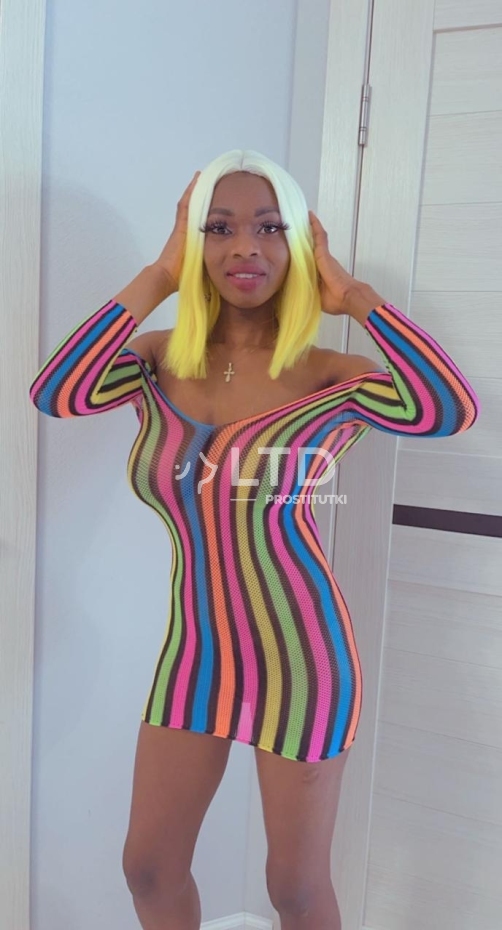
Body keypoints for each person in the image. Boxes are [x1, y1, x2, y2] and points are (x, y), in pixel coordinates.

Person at [29, 149, 479, 930]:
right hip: (196, 652)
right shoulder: (156, 363)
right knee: (148, 867)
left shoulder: (331, 375)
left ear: (299, 244)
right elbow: (56, 392)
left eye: (271, 228)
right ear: (194, 241)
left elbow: (447, 407)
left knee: (293, 889)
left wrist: (351, 293)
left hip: (303, 656)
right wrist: (159, 275)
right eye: (220, 227)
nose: (247, 246)